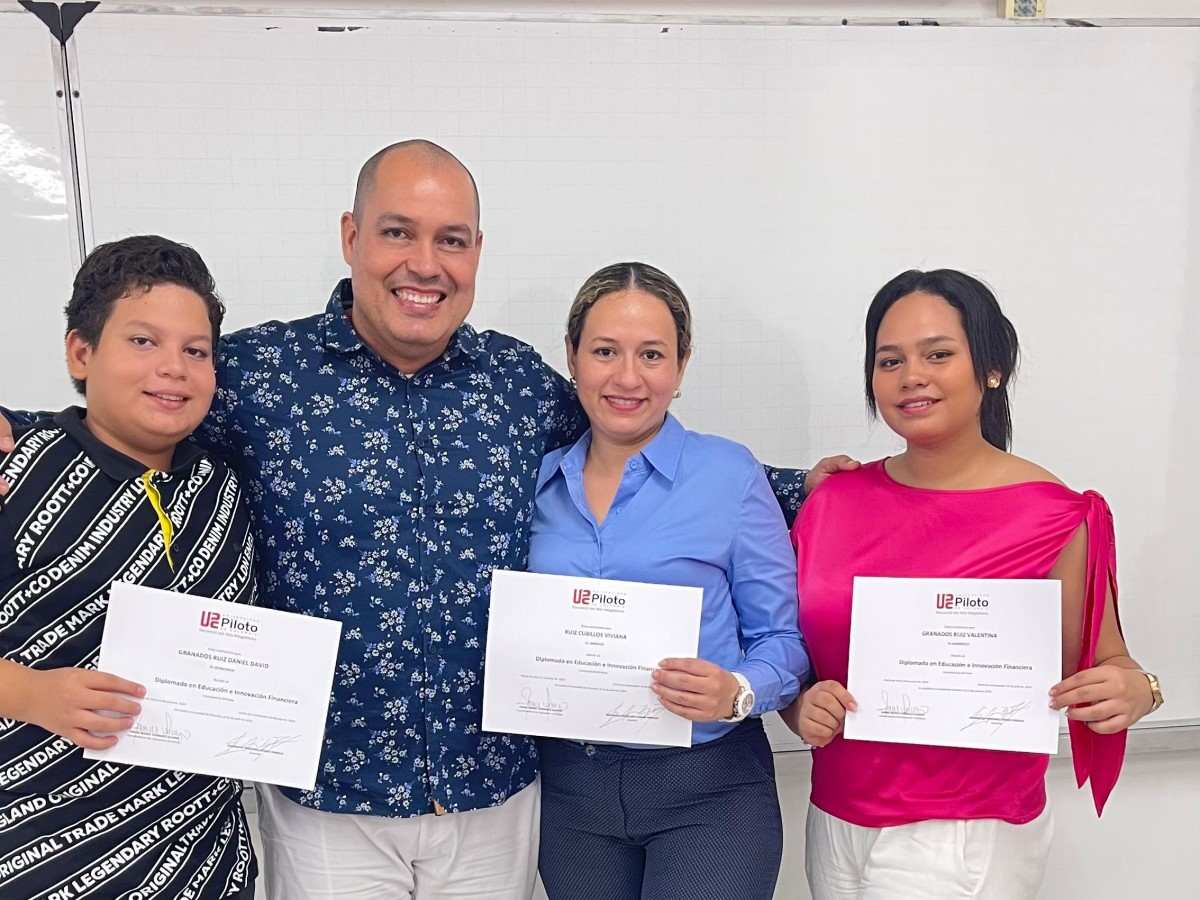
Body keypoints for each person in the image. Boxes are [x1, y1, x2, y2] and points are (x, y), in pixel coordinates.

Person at [0, 140, 850, 899]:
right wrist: (19, 426)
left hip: (497, 790)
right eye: (398, 232)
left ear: (476, 252)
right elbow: (134, 414)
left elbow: (629, 432)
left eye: (451, 240)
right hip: (329, 795)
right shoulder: (260, 373)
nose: (424, 263)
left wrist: (809, 483)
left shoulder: (516, 384)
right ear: (351, 236)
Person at [782, 269, 1162, 899]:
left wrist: (1136, 689)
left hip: (966, 831)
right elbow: (799, 649)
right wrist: (799, 705)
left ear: (992, 367)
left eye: (938, 354)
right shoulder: (832, 502)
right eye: (889, 360)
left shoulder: (1053, 514)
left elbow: (1109, 662)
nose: (911, 377)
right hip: (835, 814)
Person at [529, 262, 809, 900]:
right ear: (571, 356)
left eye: (651, 354)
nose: (627, 377)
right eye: (605, 351)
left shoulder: (730, 475)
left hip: (707, 789)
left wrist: (737, 690)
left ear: (680, 367)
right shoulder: (534, 485)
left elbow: (784, 640)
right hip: (571, 794)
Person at [0, 235, 258, 899]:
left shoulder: (223, 487)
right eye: (143, 342)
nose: (173, 367)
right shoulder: (17, 474)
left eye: (195, 351)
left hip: (208, 864)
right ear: (80, 353)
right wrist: (27, 694)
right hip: (44, 860)